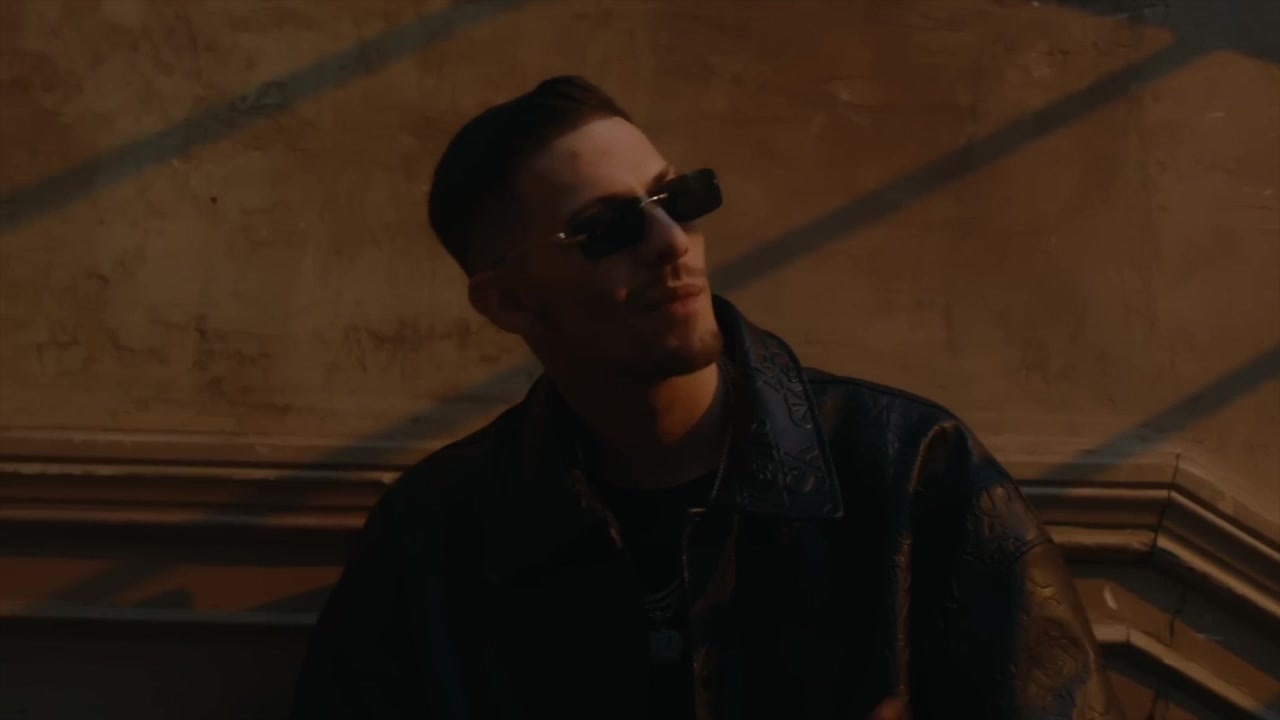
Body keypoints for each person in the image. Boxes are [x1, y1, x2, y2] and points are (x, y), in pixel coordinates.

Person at [290, 76, 1120, 719]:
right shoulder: (435, 537)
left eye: (677, 198)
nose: (671, 242)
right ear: (510, 301)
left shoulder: (911, 470)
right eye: (609, 228)